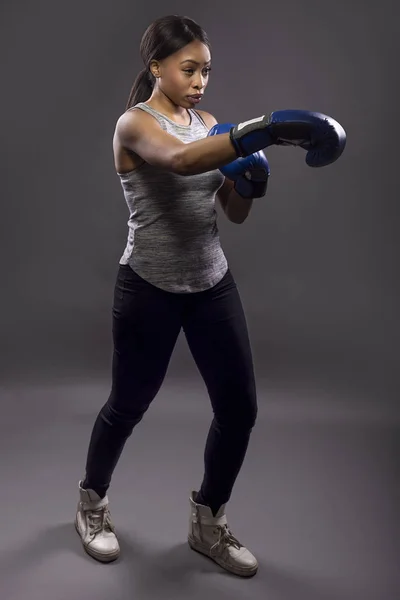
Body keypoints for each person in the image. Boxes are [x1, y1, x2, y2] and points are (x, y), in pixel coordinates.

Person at [74, 14, 346, 578]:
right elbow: (177, 160)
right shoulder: (135, 124)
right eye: (189, 68)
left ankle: (207, 521)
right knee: (128, 405)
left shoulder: (209, 123)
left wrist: (251, 183)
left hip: (210, 284)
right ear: (157, 68)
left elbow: (231, 213)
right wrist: (264, 130)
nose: (200, 81)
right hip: (149, 285)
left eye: (207, 70)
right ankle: (91, 505)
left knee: (239, 409)